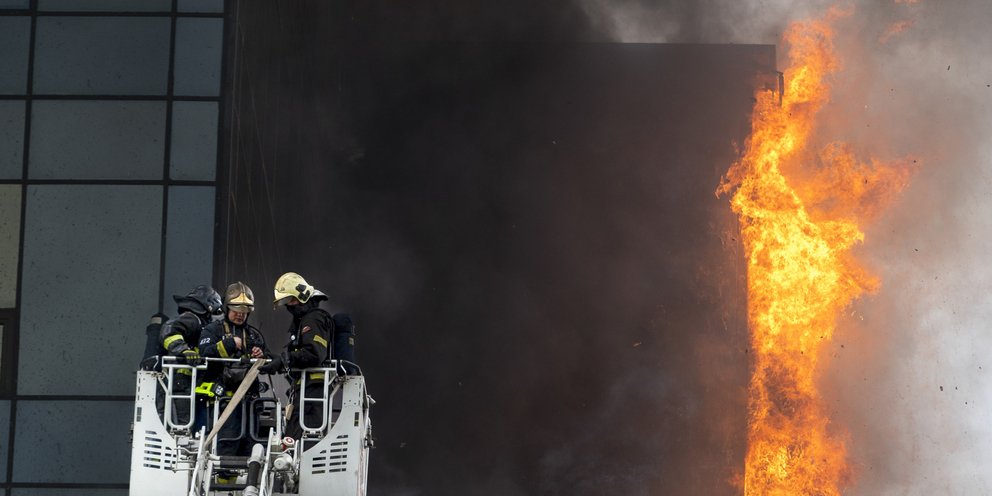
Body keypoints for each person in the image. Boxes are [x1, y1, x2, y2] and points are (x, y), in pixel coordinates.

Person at [197, 282, 272, 459]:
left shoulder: (253, 335)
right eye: (236, 310)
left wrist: (260, 354)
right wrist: (228, 344)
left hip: (250, 402)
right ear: (226, 307)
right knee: (226, 446)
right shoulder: (212, 330)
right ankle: (223, 482)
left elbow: (268, 358)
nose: (240, 315)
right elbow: (204, 354)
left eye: (244, 312)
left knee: (250, 448)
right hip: (224, 402)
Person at [272, 272, 334, 440]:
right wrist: (274, 359)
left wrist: (285, 359)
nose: (289, 306)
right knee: (291, 439)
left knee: (295, 442)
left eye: (291, 300)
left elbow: (314, 354)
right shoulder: (305, 319)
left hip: (311, 395)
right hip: (305, 391)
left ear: (302, 296)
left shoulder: (313, 319)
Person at [159, 285, 223, 427]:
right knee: (182, 425)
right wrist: (183, 350)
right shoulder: (192, 319)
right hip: (180, 382)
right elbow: (168, 330)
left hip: (186, 382)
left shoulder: (195, 321)